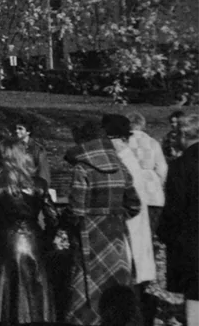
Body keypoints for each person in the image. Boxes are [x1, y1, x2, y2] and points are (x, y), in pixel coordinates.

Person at [62, 121, 141, 326]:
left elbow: (76, 211)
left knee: (88, 285)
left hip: (89, 234)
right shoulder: (120, 165)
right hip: (115, 234)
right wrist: (115, 215)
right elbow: (134, 204)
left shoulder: (82, 168)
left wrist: (66, 221)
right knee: (117, 283)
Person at [0, 139, 57, 324]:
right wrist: (46, 240)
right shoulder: (39, 183)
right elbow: (53, 217)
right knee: (35, 294)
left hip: (7, 240)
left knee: (6, 295)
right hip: (33, 239)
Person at [105, 114, 160, 324]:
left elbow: (130, 203)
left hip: (128, 232)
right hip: (130, 232)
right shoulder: (126, 160)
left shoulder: (124, 163)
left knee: (129, 289)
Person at [162, 113, 199, 326]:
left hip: (191, 238)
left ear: (184, 135)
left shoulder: (180, 166)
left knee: (195, 293)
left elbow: (174, 209)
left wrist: (166, 235)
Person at [125, 112, 168, 231]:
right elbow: (161, 168)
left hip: (131, 191)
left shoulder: (124, 142)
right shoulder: (153, 142)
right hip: (152, 193)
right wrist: (159, 182)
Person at [12, 121, 51, 185]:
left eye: (20, 129)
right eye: (16, 129)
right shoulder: (11, 147)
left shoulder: (37, 149)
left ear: (28, 132)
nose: (16, 131)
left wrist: (42, 187)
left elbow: (43, 170)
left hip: (31, 184)